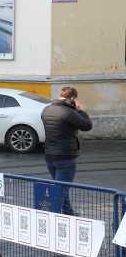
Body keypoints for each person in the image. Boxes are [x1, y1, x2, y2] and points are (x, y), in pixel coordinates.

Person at [40, 86, 93, 216]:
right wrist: (81, 110)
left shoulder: (46, 110)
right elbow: (87, 125)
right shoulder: (68, 112)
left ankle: (68, 213)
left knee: (60, 189)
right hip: (65, 157)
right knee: (60, 191)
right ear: (73, 98)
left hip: (49, 156)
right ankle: (53, 218)